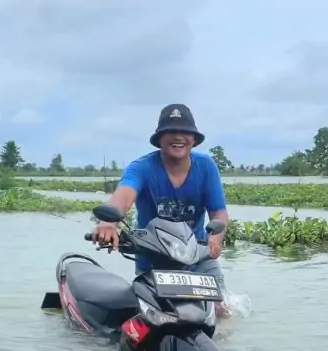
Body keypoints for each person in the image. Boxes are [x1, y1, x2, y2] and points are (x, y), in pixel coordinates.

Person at [91, 103, 231, 316]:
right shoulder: (141, 167)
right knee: (153, 316)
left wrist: (214, 241)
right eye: (171, 131)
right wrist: (109, 223)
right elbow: (124, 196)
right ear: (159, 139)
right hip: (153, 259)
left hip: (198, 258)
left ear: (194, 139)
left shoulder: (206, 166)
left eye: (185, 132)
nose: (178, 137)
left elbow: (218, 212)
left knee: (220, 313)